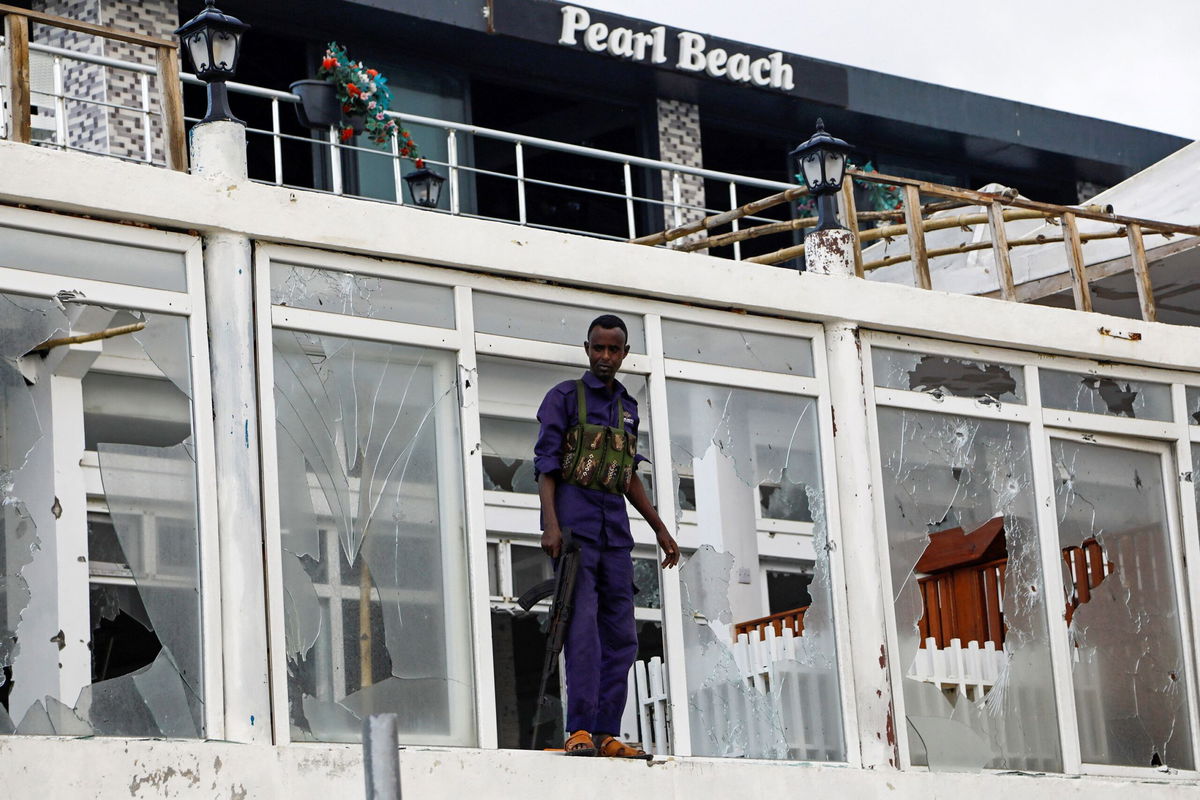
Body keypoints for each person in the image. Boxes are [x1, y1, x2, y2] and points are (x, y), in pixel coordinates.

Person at [534, 313, 679, 758]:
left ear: (625, 354)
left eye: (614, 349)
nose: (605, 356)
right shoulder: (564, 397)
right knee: (582, 631)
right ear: (587, 348)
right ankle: (579, 729)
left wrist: (660, 528)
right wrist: (550, 525)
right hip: (575, 534)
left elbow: (627, 474)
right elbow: (546, 465)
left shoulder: (627, 407)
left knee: (623, 636)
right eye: (598, 347)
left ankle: (606, 733)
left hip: (615, 535)